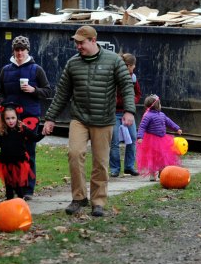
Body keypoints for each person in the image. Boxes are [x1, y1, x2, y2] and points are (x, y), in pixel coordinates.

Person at [42, 26, 136, 218]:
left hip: (104, 119)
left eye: (81, 42)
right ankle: (78, 198)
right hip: (80, 118)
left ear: (93, 40)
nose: (78, 46)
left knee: (100, 162)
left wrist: (129, 111)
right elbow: (62, 93)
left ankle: (98, 201)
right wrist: (50, 118)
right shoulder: (73, 64)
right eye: (76, 43)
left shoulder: (114, 61)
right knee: (74, 154)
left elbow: (126, 86)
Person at [0, 35, 52, 200]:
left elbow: (48, 91)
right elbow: (1, 92)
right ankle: (13, 187)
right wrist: (3, 109)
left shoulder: (36, 69)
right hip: (10, 120)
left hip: (30, 118)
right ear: (13, 51)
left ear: (27, 50)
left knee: (28, 153)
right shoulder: (6, 70)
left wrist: (33, 90)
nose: (20, 53)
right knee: (10, 154)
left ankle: (28, 189)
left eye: (22, 50)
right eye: (17, 50)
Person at [0, 103, 44, 200]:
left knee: (18, 184)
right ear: (3, 119)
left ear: (17, 117)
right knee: (8, 184)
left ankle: (20, 200)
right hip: (5, 162)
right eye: (8, 118)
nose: (11, 121)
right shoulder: (3, 130)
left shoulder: (22, 129)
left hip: (18, 161)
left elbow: (34, 138)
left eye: (13, 118)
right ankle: (9, 201)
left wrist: (43, 133)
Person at [109, 53, 141, 177]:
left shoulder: (133, 78)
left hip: (128, 113)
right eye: (133, 66)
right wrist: (116, 102)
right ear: (127, 65)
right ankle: (115, 168)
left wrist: (132, 102)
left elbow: (138, 93)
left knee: (133, 138)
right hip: (115, 113)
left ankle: (129, 166)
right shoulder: (114, 76)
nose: (134, 69)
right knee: (115, 141)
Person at [136, 95, 182, 181]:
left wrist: (177, 128)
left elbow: (169, 122)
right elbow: (142, 127)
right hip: (152, 140)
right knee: (153, 158)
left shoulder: (162, 114)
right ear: (157, 105)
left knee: (163, 157)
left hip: (162, 139)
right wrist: (140, 137)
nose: (160, 105)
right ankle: (152, 174)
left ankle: (163, 172)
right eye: (159, 103)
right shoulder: (148, 116)